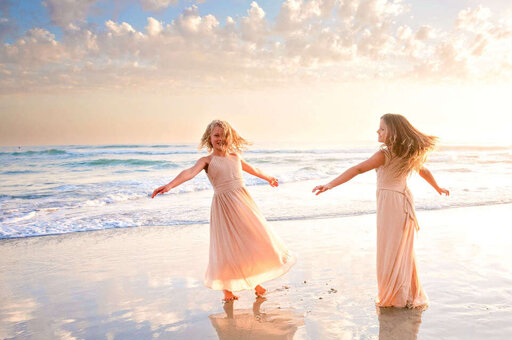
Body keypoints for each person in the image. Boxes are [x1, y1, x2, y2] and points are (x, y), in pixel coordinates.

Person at [312, 114, 448, 308]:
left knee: (391, 247)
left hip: (392, 202)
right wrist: (437, 188)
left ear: (393, 132)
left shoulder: (385, 154)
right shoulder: (405, 153)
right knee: (399, 248)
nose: (378, 131)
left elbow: (358, 169)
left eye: (382, 129)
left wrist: (330, 184)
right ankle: (403, 292)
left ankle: (395, 296)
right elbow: (424, 171)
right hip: (401, 199)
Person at [152, 119, 296, 301]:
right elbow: (188, 173)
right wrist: (169, 185)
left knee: (254, 240)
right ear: (209, 138)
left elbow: (254, 169)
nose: (221, 139)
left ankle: (255, 280)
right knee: (228, 247)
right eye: (216, 135)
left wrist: (268, 178)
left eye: (224, 135)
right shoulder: (206, 161)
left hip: (244, 204)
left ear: (231, 137)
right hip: (224, 207)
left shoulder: (235, 157)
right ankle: (227, 289)